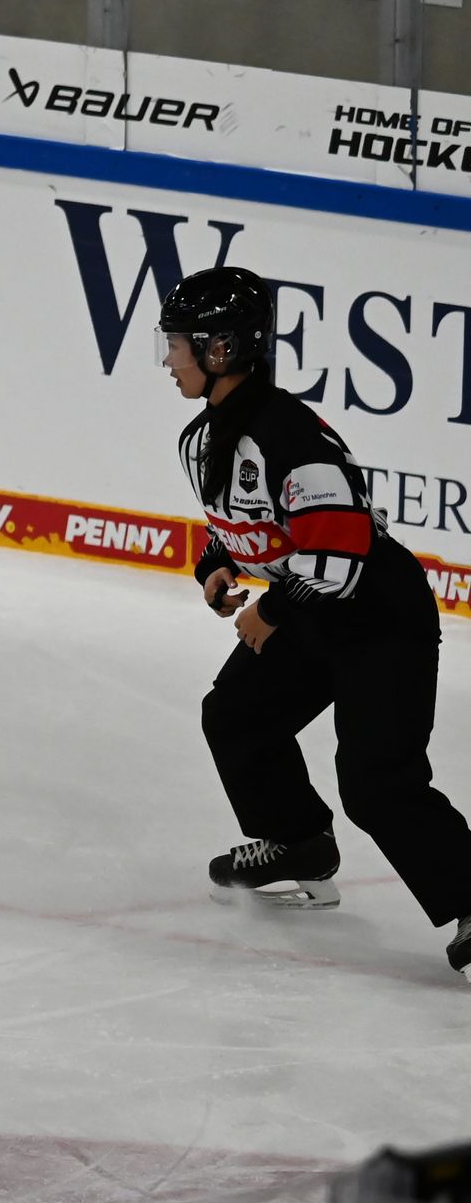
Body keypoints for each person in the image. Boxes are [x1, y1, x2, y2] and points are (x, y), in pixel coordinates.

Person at [159, 266, 471, 977]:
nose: (168, 360)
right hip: (315, 603)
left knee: (377, 782)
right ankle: (298, 842)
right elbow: (248, 523)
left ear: (220, 350)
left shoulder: (286, 433)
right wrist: (215, 565)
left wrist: (271, 608)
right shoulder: (205, 437)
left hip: (379, 615)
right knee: (235, 715)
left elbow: (342, 547)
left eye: (177, 344)